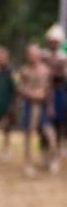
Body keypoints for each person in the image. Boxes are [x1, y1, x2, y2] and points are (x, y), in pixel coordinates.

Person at [17, 44, 53, 174]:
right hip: (28, 105)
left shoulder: (45, 70)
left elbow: (47, 91)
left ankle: (50, 159)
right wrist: (31, 94)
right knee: (28, 135)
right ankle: (28, 163)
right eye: (30, 54)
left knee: (49, 133)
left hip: (42, 106)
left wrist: (48, 104)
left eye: (34, 54)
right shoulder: (24, 70)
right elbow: (20, 88)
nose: (32, 56)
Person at [42, 24, 67, 155]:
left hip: (58, 91)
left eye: (56, 41)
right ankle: (45, 149)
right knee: (44, 123)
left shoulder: (63, 57)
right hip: (45, 93)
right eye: (52, 41)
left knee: (60, 120)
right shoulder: (44, 55)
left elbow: (62, 75)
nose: (53, 43)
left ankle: (58, 146)